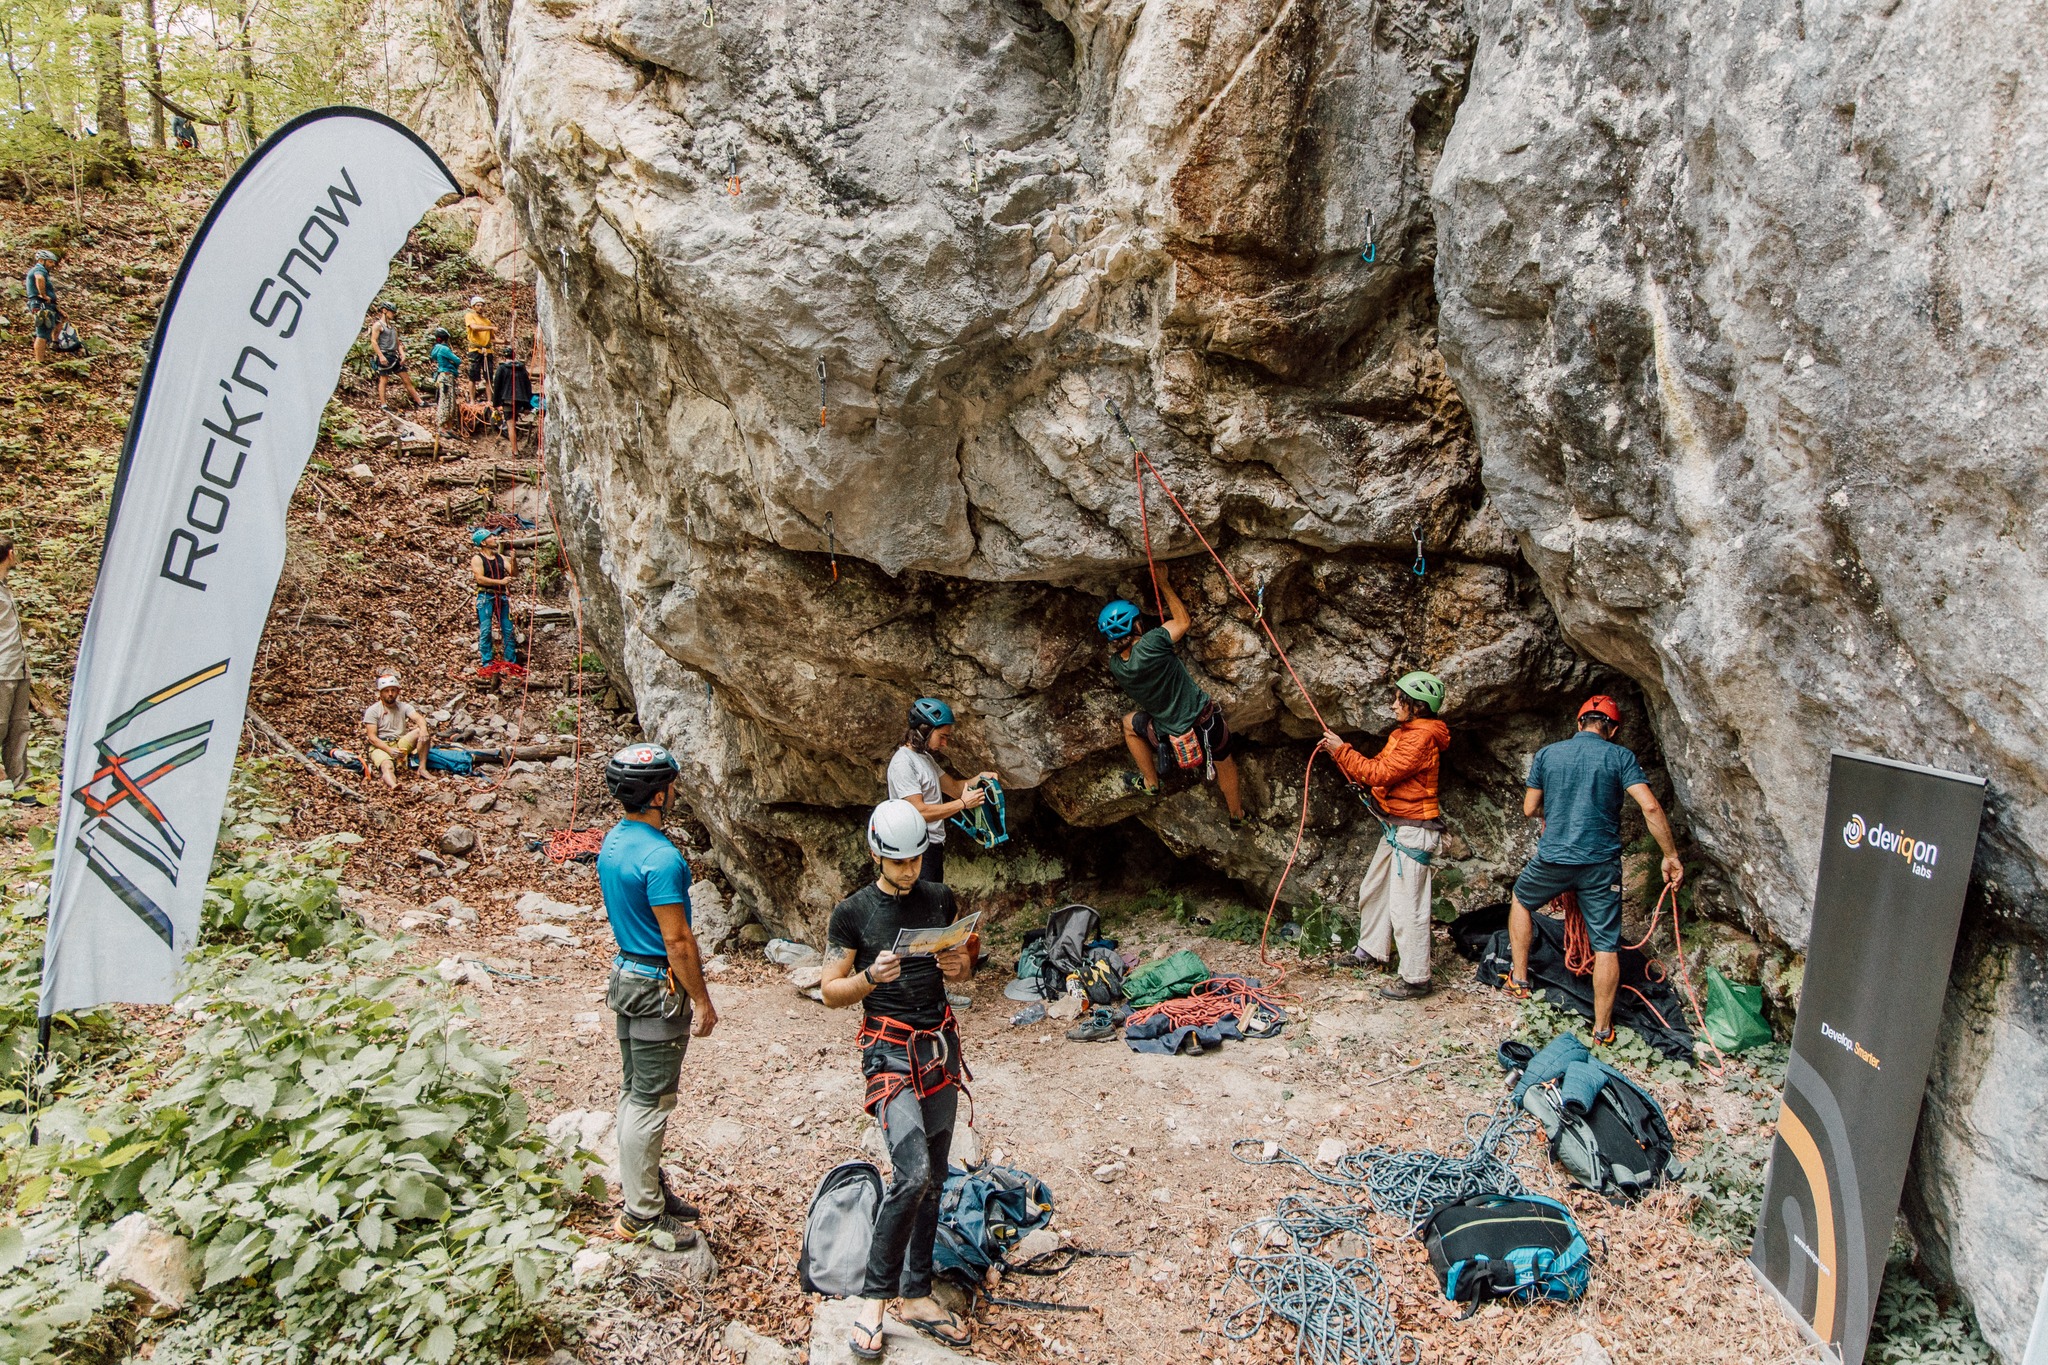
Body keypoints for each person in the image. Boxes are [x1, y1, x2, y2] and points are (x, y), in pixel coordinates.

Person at [820, 801, 977, 1359]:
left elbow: (963, 959)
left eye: (915, 859)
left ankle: (915, 1293)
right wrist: (869, 977)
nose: (909, 870)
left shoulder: (938, 898)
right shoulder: (853, 914)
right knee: (911, 1175)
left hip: (938, 1046)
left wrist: (962, 965)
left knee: (934, 1177)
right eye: (899, 861)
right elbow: (830, 991)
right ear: (876, 854)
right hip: (889, 1051)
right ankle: (874, 1301)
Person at [1506, 695, 1684, 1044]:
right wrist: (1670, 855)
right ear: (1613, 730)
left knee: (1522, 900)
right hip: (1600, 865)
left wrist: (1561, 811)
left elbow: (1529, 808)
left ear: (1579, 723)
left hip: (1554, 859)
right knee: (1605, 944)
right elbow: (1650, 807)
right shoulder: (1620, 757)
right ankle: (1602, 1030)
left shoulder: (1548, 754)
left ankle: (1520, 980)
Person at [597, 743, 717, 1244]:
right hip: (656, 986)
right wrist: (702, 999)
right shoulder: (662, 858)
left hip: (626, 975)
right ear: (659, 795)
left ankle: (647, 1189)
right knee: (651, 1100)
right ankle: (642, 1214)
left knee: (634, 1091)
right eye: (670, 785)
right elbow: (678, 940)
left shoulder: (613, 842)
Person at [1318, 671, 1450, 1000]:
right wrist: (1351, 766)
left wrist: (1342, 751)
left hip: (1414, 832)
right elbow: (1378, 768)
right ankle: (1371, 950)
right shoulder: (1405, 734)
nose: (1393, 705)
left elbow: (1382, 773)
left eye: (1399, 700)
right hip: (1398, 826)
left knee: (1408, 908)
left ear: (1417, 706)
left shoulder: (1421, 738)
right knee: (1373, 888)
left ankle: (1416, 979)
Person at [1100, 569, 1245, 822]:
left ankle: (1151, 782)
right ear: (1136, 625)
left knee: (1129, 725)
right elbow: (1182, 621)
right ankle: (1236, 815)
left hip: (1166, 735)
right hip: (1206, 723)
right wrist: (1163, 583)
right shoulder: (1153, 643)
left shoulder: (1116, 666)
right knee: (1225, 763)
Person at [885, 698, 996, 884]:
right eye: (942, 736)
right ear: (925, 730)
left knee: (936, 900)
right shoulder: (903, 763)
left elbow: (955, 789)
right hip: (916, 850)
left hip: (933, 846)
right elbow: (919, 812)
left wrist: (980, 778)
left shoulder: (925, 758)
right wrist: (962, 804)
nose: (944, 743)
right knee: (926, 901)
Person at [360, 674, 431, 791]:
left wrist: (424, 729)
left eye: (393, 690)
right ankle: (393, 784)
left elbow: (418, 718)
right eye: (386, 691)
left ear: (398, 692)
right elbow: (372, 737)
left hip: (399, 742)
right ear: (381, 693)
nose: (390, 694)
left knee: (421, 731)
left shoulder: (403, 707)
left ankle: (422, 768)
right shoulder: (373, 710)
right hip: (381, 745)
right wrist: (389, 750)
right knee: (387, 765)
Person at [0, 537, 30, 790]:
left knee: (19, 726)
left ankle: (19, 783)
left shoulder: (4, 586)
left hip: (17, 666)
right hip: (1, 668)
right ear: (10, 554)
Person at [469, 528, 517, 666]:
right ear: (483, 543)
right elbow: (480, 579)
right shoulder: (477, 559)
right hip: (485, 596)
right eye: (491, 537)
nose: (495, 538)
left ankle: (510, 662)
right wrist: (500, 582)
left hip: (501, 597)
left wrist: (514, 560)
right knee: (486, 630)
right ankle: (487, 662)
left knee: (508, 629)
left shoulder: (500, 557)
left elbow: (513, 573)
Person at [365, 302, 422, 410]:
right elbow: (373, 341)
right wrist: (381, 356)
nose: (393, 314)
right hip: (385, 355)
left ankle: (420, 402)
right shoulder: (378, 325)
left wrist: (402, 354)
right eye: (392, 312)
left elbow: (398, 343)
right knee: (384, 380)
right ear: (384, 311)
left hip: (394, 356)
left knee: (406, 378)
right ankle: (383, 405)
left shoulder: (392, 328)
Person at [24, 250, 60, 365]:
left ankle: (54, 343)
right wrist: (43, 295)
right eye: (50, 262)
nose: (52, 264)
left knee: (59, 320)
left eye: (53, 262)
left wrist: (58, 308)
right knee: (42, 332)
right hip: (40, 304)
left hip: (48, 304)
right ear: (41, 261)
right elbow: (39, 278)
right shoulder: (39, 269)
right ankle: (39, 361)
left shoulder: (44, 271)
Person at [428, 327, 464, 431]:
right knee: (446, 402)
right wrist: (453, 364)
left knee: (446, 400)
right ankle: (442, 428)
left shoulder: (436, 348)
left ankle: (448, 428)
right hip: (446, 376)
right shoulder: (444, 349)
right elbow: (457, 360)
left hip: (441, 375)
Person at [463, 296, 496, 398]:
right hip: (475, 350)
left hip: (487, 351)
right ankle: (472, 400)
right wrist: (490, 327)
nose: (480, 307)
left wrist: (505, 342)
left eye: (482, 305)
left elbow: (492, 339)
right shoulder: (470, 316)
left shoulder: (487, 321)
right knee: (473, 376)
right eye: (478, 305)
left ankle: (489, 400)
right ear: (473, 307)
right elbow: (474, 327)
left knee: (489, 377)